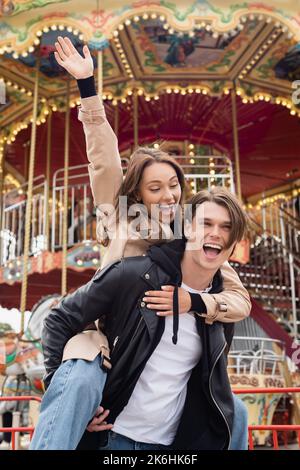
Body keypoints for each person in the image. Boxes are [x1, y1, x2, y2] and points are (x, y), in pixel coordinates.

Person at [29, 37, 250, 450]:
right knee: (77, 378)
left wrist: (195, 303)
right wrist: (87, 87)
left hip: (149, 350)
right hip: (106, 342)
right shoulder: (121, 217)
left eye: (173, 186)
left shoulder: (189, 234)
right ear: (138, 196)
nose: (167, 196)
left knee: (233, 409)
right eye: (155, 188)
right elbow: (104, 157)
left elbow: (238, 298)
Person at [40, 188, 248, 450]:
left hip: (167, 446)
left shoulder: (219, 310)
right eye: (206, 223)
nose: (216, 233)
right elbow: (58, 320)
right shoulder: (134, 275)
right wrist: (69, 400)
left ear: (234, 240)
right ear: (186, 228)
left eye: (226, 227)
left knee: (238, 412)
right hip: (112, 437)